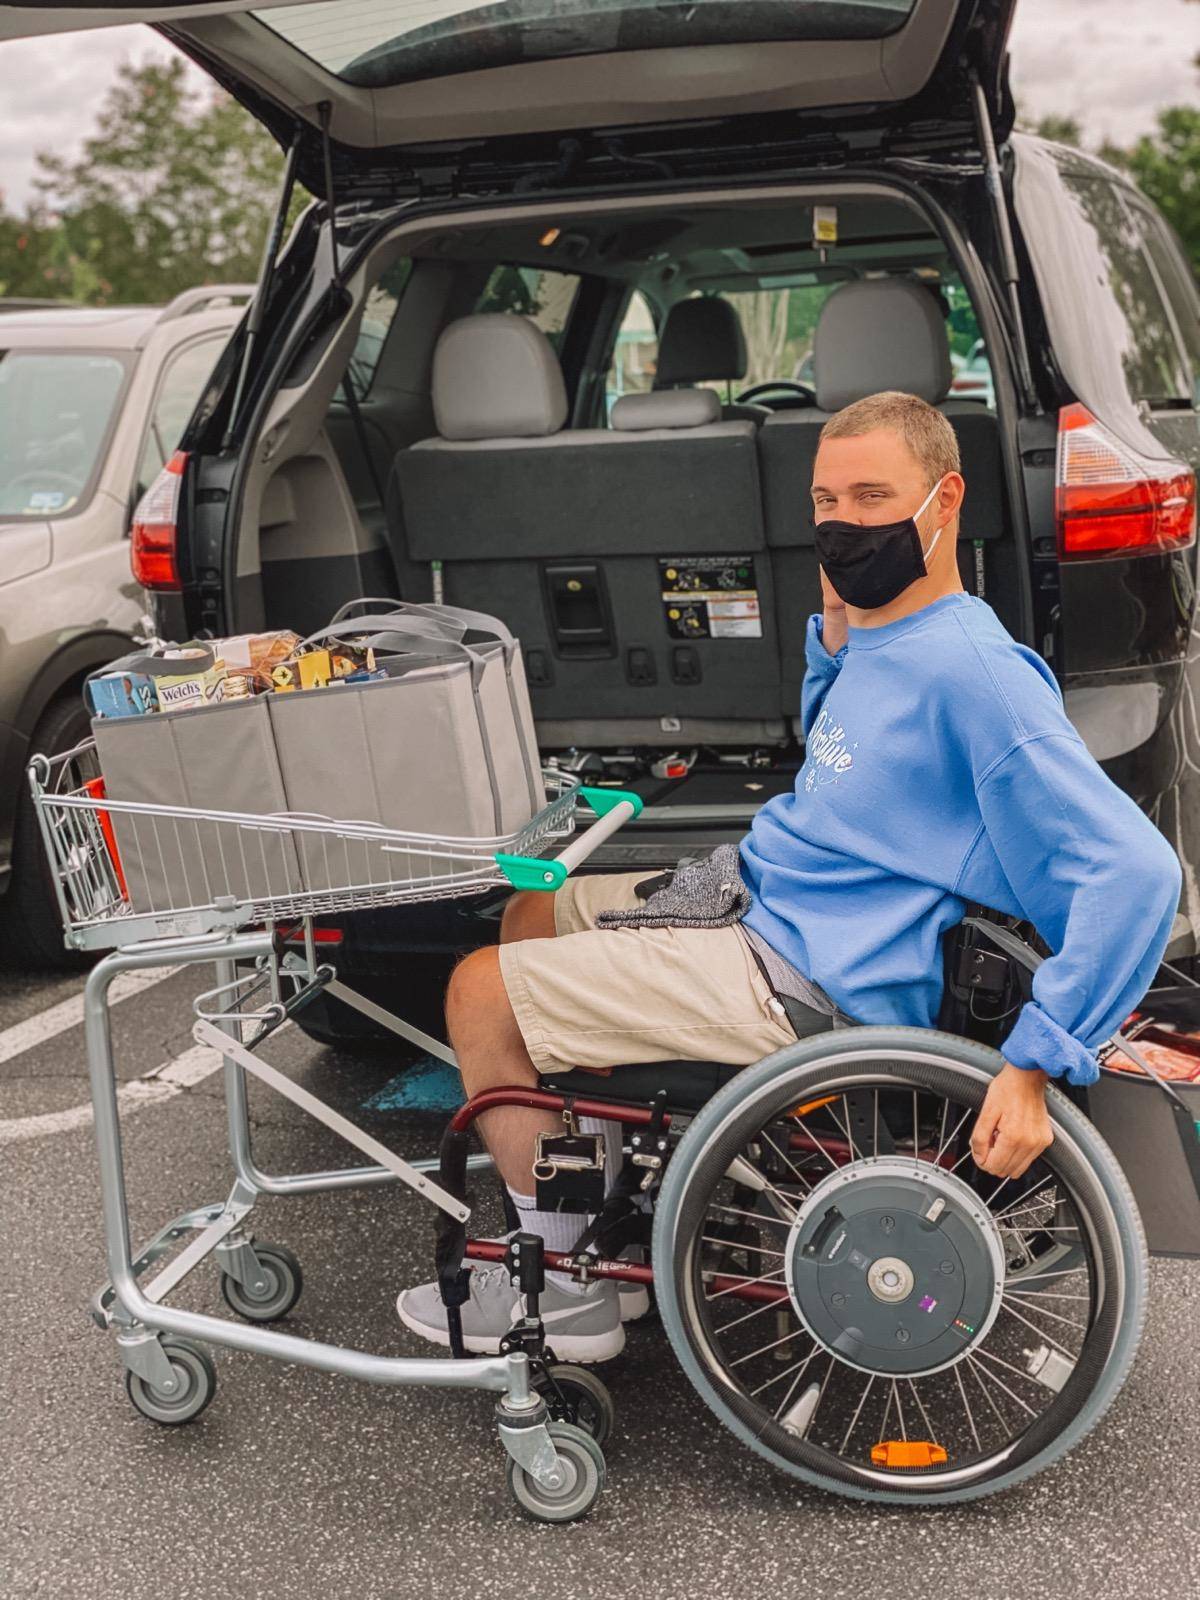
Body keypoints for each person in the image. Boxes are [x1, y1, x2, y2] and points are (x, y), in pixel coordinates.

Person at [396, 389, 1183, 1362]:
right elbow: (848, 770)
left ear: (945, 501)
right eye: (824, 503)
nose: (842, 525)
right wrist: (835, 644)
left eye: (870, 496)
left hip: (817, 969)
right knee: (533, 908)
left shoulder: (972, 670)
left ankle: (564, 1287)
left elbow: (1137, 870)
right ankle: (600, 1209)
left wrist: (1033, 1064)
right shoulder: (886, 631)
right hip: (772, 898)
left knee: (480, 994)